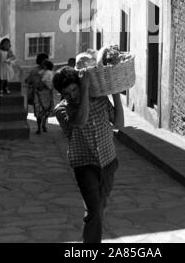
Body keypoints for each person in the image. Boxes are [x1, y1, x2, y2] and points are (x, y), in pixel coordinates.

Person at [53, 66, 124, 244]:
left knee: (98, 210)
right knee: (94, 211)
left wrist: (115, 93)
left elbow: (119, 124)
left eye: (75, 89)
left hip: (108, 161)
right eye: (67, 93)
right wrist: (84, 89)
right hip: (84, 165)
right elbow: (80, 121)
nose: (72, 95)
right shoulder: (62, 110)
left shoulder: (100, 99)